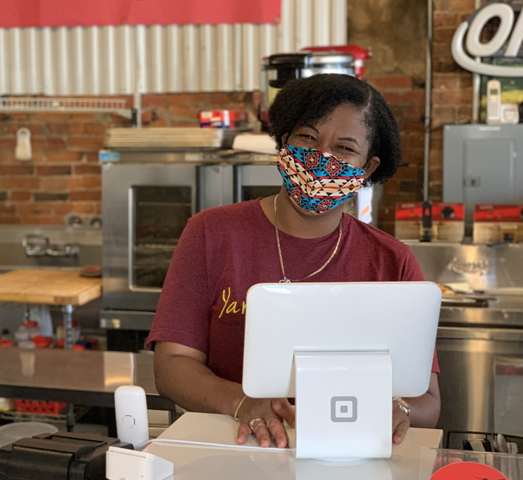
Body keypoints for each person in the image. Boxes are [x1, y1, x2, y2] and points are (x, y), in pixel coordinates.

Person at [146, 74, 440, 449]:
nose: (322, 158)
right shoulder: (210, 233)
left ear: (366, 169)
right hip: (233, 448)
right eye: (307, 138)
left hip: (348, 454)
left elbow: (428, 402)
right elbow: (172, 366)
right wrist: (241, 402)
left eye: (345, 148)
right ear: (283, 142)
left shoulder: (392, 262)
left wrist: (400, 409)